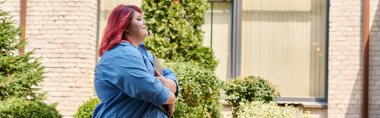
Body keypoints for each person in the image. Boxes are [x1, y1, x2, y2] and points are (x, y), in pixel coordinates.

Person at [93, 4, 179, 118]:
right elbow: (149, 89)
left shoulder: (143, 53)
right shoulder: (121, 55)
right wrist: (171, 98)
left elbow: (166, 72)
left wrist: (170, 83)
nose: (145, 22)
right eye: (139, 19)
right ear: (125, 25)